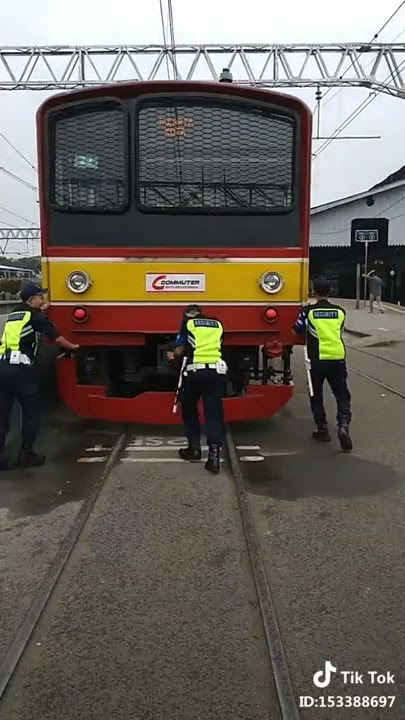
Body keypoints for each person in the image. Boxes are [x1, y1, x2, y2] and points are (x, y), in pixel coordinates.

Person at [0, 281, 79, 470]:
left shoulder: (15, 314)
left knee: (3, 412)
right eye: (40, 296)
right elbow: (55, 337)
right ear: (31, 299)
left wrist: (43, 308)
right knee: (31, 412)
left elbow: (32, 318)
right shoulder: (35, 317)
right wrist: (74, 347)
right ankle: (26, 454)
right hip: (20, 370)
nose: (43, 299)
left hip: (3, 365)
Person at [293, 276, 352, 452]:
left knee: (316, 394)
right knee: (342, 395)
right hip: (337, 357)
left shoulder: (307, 312)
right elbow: (339, 331)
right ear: (330, 291)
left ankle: (322, 429)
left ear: (314, 291)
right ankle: (343, 425)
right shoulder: (340, 311)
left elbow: (296, 329)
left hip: (317, 360)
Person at [166, 305, 226, 474]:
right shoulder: (217, 324)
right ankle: (214, 458)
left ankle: (194, 449)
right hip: (216, 372)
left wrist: (173, 356)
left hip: (195, 373)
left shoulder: (188, 324)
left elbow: (180, 349)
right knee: (214, 413)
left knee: (189, 408)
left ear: (187, 314)